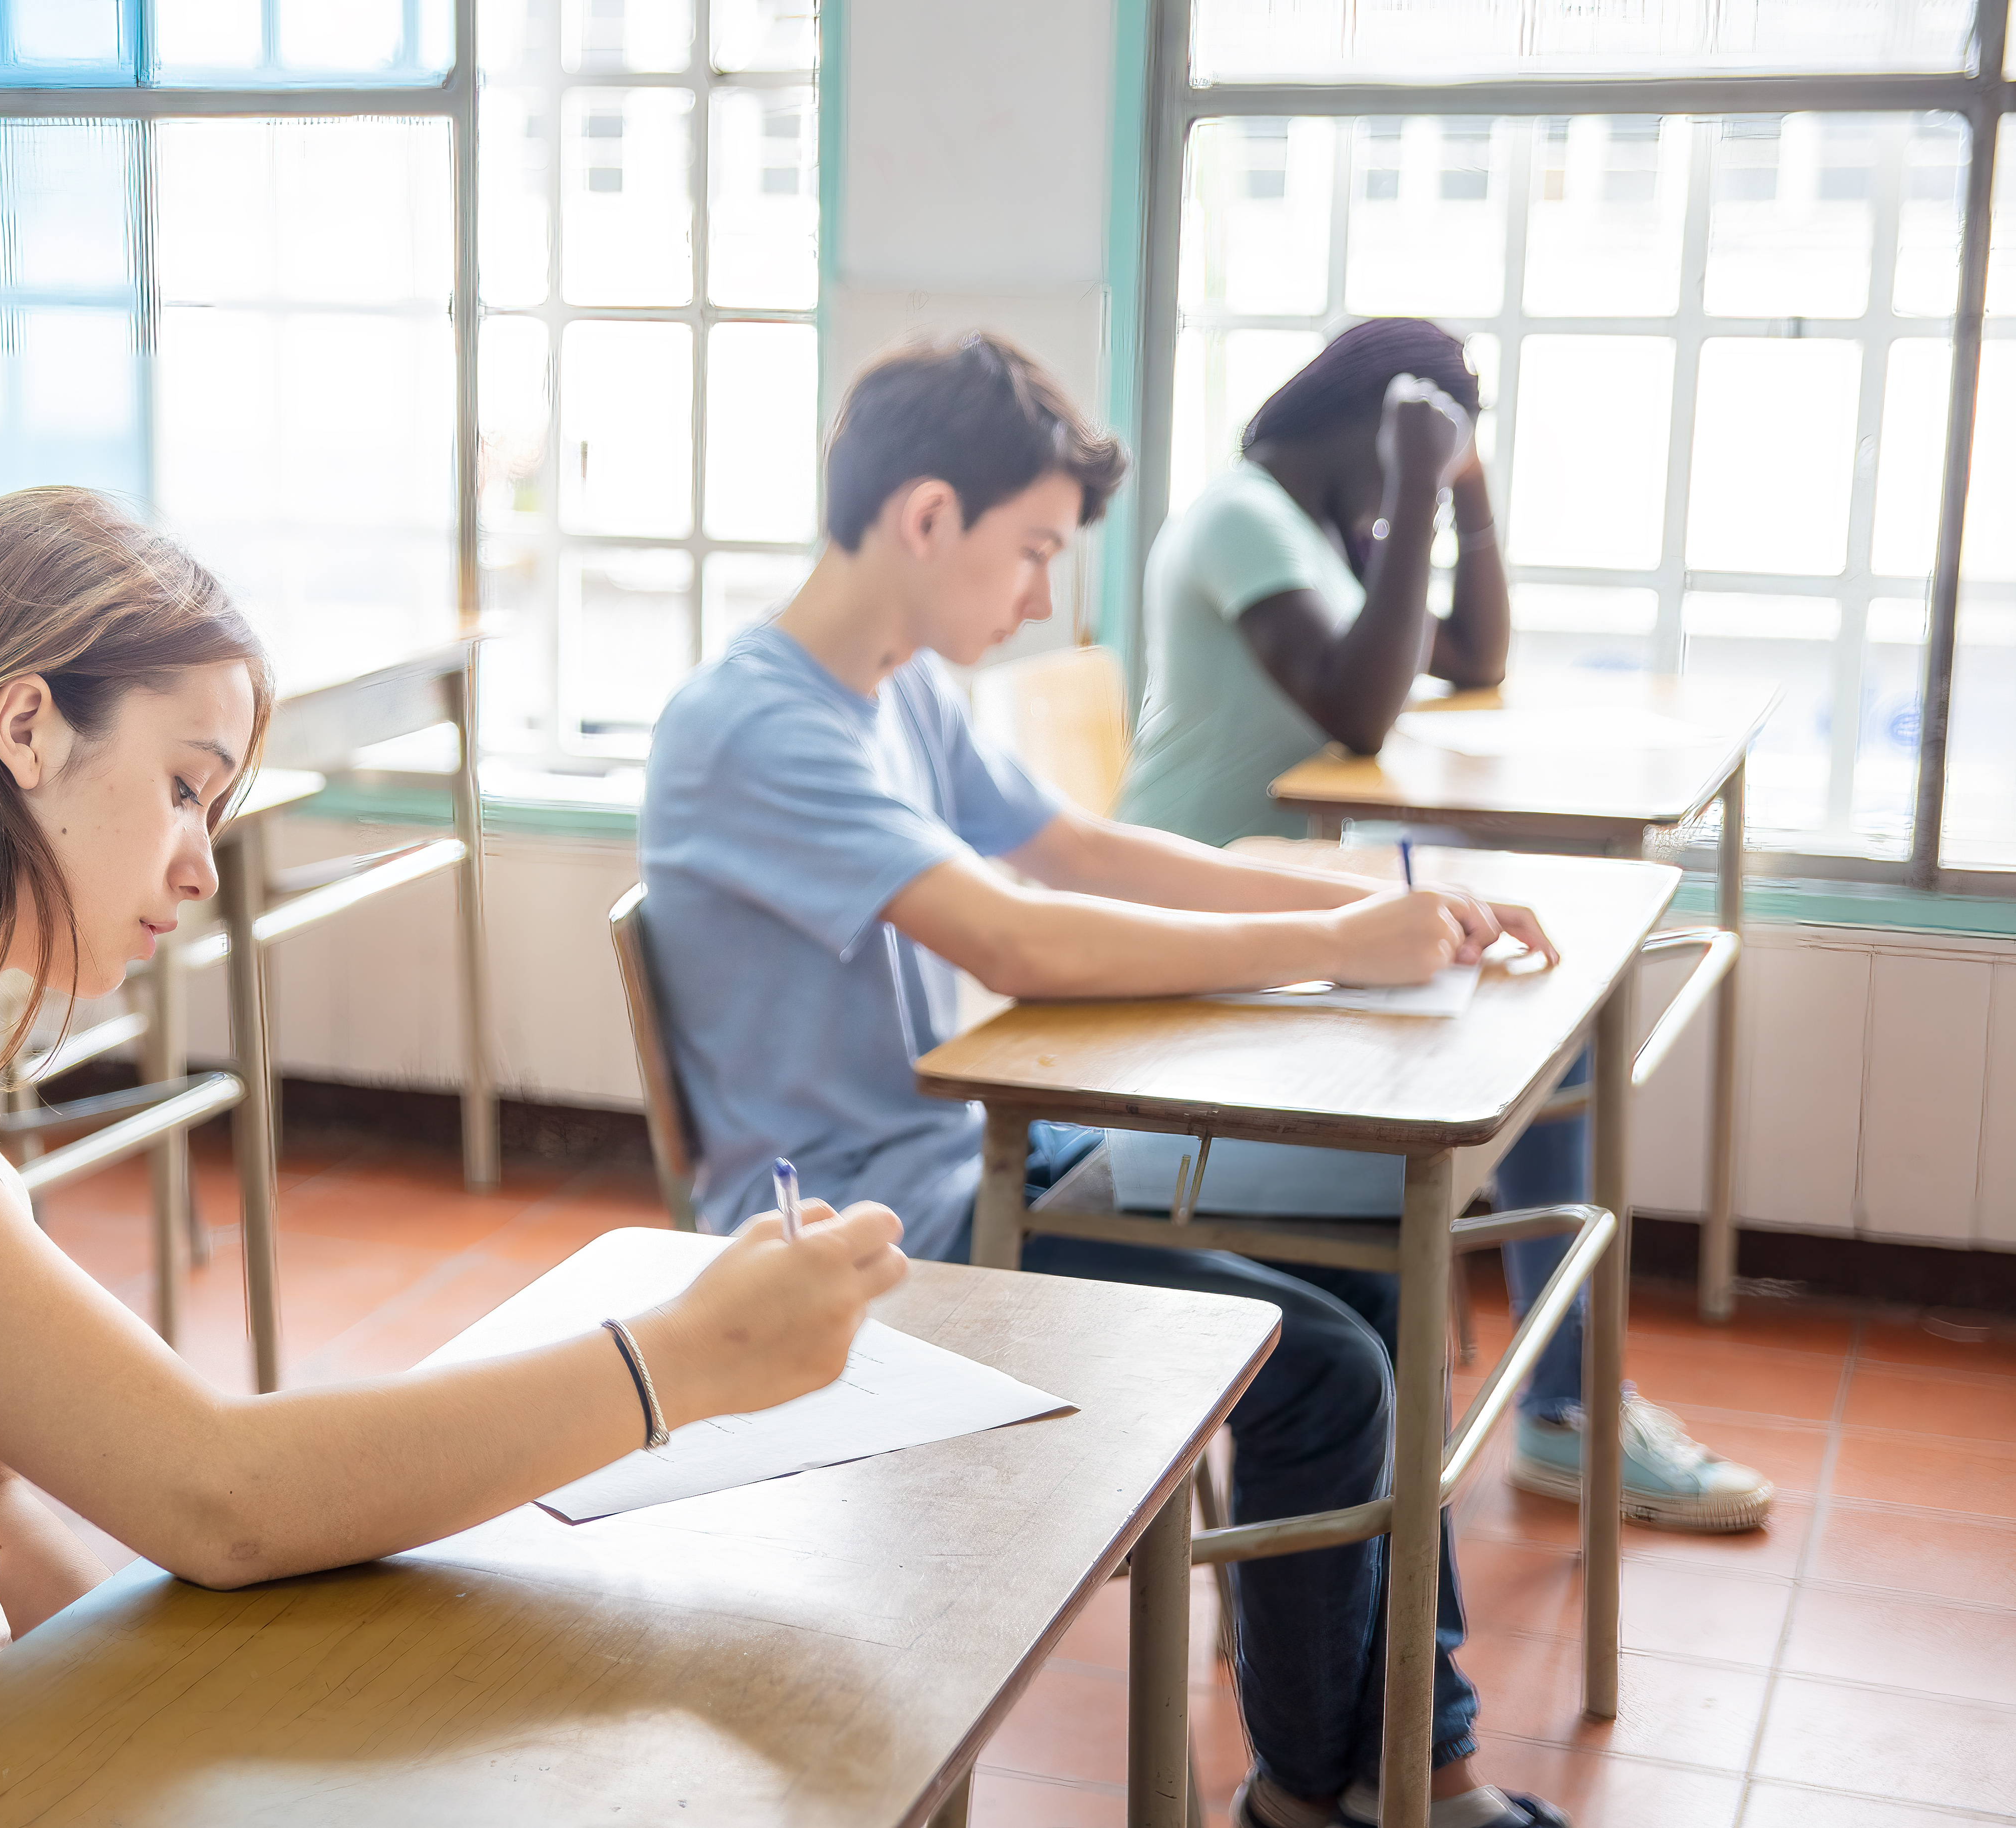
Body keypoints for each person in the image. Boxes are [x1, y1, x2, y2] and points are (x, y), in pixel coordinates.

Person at [0, 486, 908, 1827]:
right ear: (25, 726)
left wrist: (171, 1707)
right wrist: (674, 1362)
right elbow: (216, 1492)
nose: (200, 864)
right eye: (183, 787)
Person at [642, 332, 1571, 1828]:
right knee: (1321, 1366)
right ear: (925, 516)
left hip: (978, 1159)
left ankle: (1406, 1766)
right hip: (856, 1235)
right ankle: (1325, 1788)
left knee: (1376, 1272)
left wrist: (1362, 923)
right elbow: (1012, 931)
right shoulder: (754, 722)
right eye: (1029, 552)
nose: (1038, 599)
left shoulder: (896, 688)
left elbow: (1072, 847)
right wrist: (1337, 939)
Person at [1116, 320, 1772, 1537]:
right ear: (1375, 422)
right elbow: (1363, 715)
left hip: (1298, 911)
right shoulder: (1241, 518)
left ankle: (1567, 1406)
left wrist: (1461, 494)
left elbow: (1469, 656)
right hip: (1209, 926)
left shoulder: (1318, 530)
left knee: (1546, 1021)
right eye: (1424, 445)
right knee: (1539, 1038)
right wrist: (1418, 479)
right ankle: (1567, 1409)